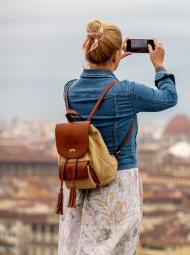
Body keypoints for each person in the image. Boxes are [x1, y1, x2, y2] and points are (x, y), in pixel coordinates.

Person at [58, 19, 177, 255]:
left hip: (81, 179)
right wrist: (159, 66)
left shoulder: (69, 89)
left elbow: (90, 81)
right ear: (116, 56)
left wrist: (108, 62)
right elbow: (169, 97)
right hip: (116, 181)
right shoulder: (127, 92)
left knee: (79, 246)